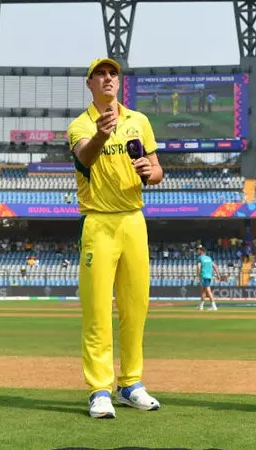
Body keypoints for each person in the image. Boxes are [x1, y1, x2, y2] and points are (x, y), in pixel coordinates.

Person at [67, 57, 164, 419]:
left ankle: (131, 383)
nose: (108, 78)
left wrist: (150, 171)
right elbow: (85, 158)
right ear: (90, 83)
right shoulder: (80, 125)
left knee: (135, 309)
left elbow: (158, 171)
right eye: (100, 74)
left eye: (113, 74)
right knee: (97, 311)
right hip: (98, 222)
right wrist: (102, 135)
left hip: (134, 220)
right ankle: (99, 389)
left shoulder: (139, 121)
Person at [196, 245, 219, 311]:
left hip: (203, 276)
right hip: (209, 276)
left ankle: (214, 306)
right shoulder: (209, 258)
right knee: (204, 291)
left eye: (198, 250)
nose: (197, 251)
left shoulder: (200, 258)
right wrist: (218, 274)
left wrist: (198, 276)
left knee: (208, 291)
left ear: (201, 251)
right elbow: (215, 266)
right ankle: (201, 306)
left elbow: (199, 267)